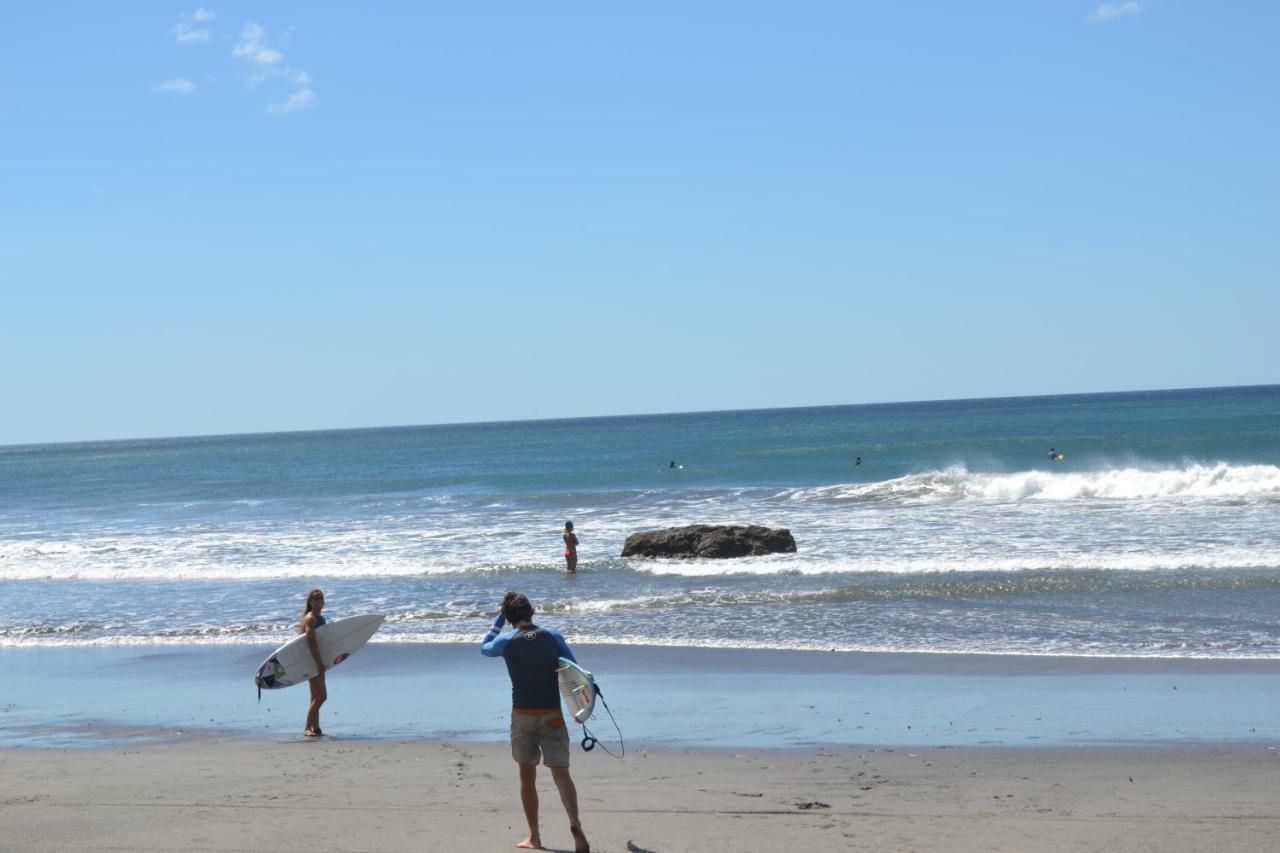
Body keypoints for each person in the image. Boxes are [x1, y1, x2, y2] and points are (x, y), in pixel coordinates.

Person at [481, 591, 590, 852]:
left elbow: (484, 648)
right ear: (532, 611)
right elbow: (574, 671)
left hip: (523, 716)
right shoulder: (552, 636)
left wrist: (498, 621)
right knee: (561, 773)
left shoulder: (506, 641)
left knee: (526, 774)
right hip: (552, 713)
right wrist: (581, 709)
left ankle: (534, 836)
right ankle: (574, 823)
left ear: (509, 617)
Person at [299, 587, 327, 737]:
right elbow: (311, 643)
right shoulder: (310, 619)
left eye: (321, 598)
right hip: (312, 660)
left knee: (315, 696)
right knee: (322, 696)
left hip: (319, 659)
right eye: (315, 599)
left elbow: (323, 641)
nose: (319, 601)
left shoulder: (321, 619)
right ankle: (306, 727)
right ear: (310, 602)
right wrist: (318, 663)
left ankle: (316, 728)